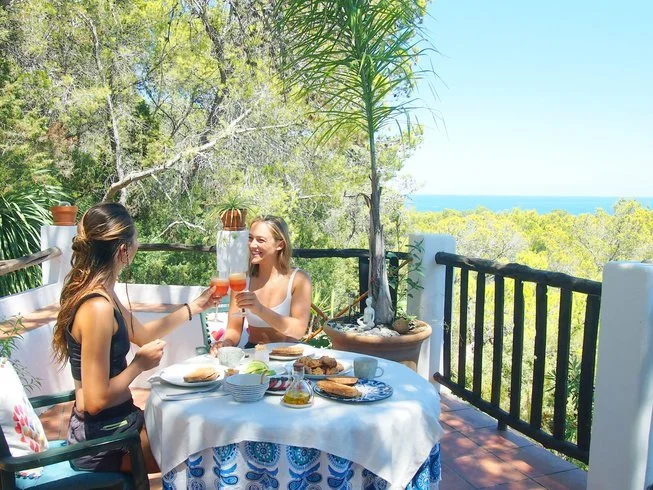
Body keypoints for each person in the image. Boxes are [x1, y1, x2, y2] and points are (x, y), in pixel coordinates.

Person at [51, 202, 216, 473]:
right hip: (102, 440)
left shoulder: (105, 294)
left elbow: (143, 334)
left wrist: (195, 306)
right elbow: (95, 401)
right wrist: (138, 365)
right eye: (136, 240)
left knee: (194, 439)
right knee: (197, 457)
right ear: (124, 250)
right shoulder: (97, 308)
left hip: (118, 423)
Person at [210, 216, 312, 351]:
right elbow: (234, 328)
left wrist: (260, 309)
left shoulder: (299, 279)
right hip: (253, 352)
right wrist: (226, 343)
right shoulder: (241, 279)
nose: (252, 245)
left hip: (288, 355)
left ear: (280, 244)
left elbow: (298, 330)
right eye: (250, 238)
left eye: (260, 240)